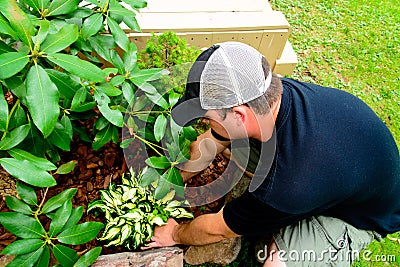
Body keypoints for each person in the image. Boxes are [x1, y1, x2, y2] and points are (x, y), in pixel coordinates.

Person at [143, 42, 400, 267]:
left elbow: (218, 230)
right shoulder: (266, 95)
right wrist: (175, 179)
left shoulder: (288, 183)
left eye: (207, 117)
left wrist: (175, 233)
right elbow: (214, 139)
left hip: (360, 216)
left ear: (239, 114)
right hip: (339, 171)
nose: (205, 124)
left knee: (276, 263)